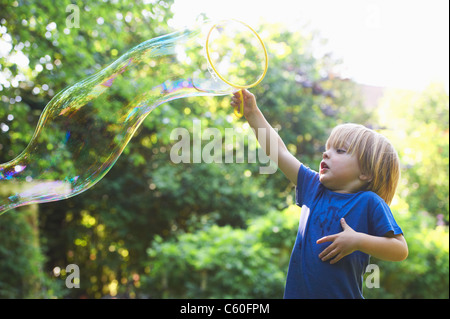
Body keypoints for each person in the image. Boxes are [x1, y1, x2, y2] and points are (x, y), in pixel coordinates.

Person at [231, 90, 408, 299]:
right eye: (327, 149)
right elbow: (280, 152)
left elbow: (400, 249)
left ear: (366, 173)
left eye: (340, 151)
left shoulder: (368, 202)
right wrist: (252, 114)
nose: (326, 153)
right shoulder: (314, 187)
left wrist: (358, 241)